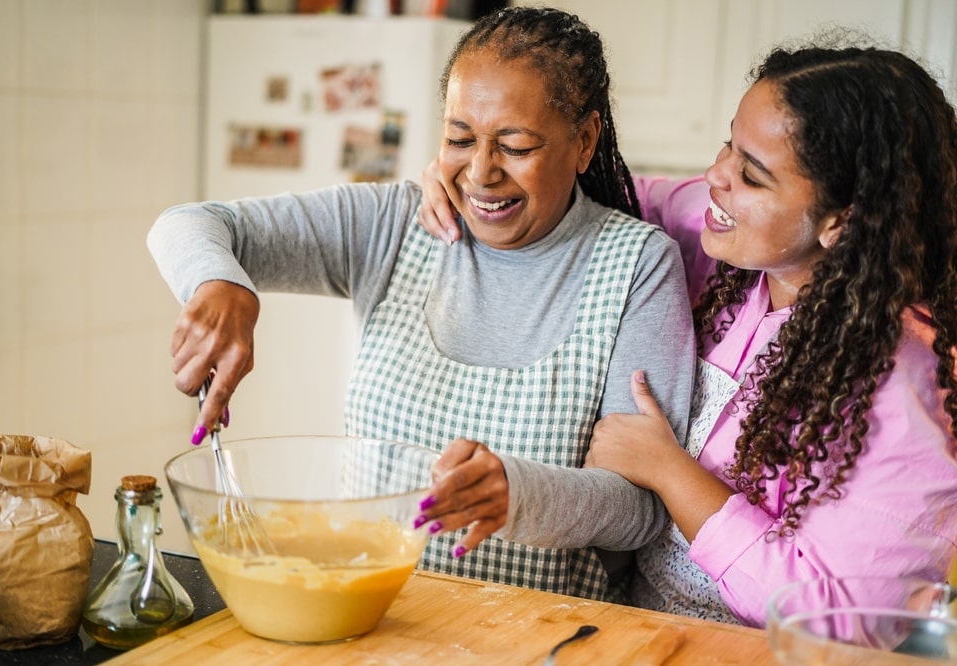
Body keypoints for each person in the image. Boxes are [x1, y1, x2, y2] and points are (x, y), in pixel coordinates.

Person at [147, 6, 697, 603]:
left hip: (540, 637)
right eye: (460, 139)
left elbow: (640, 510)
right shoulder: (395, 223)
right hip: (366, 611)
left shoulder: (638, 266)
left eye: (514, 146)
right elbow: (189, 223)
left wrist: (517, 493)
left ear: (584, 140)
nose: (481, 173)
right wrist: (221, 285)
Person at [418, 33, 957, 628]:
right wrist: (465, 173)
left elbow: (847, 621)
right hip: (639, 628)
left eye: (751, 175)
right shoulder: (722, 243)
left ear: (841, 222)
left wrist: (671, 472)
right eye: (729, 144)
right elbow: (604, 195)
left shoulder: (912, 390)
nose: (714, 176)